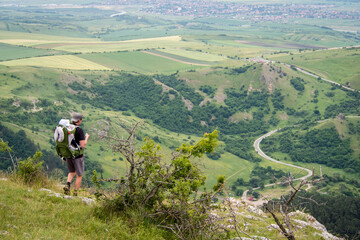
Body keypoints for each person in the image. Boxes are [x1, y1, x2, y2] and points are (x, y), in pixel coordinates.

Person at [63, 113, 90, 196]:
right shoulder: (79, 130)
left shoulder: (66, 127)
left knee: (72, 171)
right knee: (79, 174)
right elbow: (82, 145)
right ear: (79, 120)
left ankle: (68, 184)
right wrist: (86, 138)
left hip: (68, 154)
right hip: (77, 155)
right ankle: (75, 193)